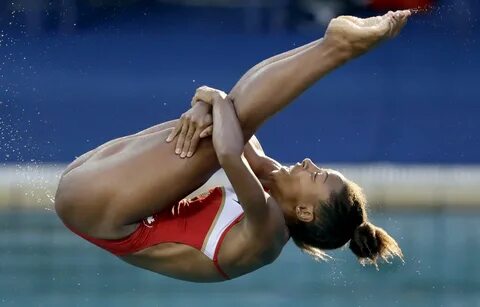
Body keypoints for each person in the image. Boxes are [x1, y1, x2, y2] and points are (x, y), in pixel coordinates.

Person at [55, 11, 410, 282]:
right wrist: (210, 105)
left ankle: (336, 48)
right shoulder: (277, 189)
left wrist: (212, 96)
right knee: (231, 119)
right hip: (96, 194)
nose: (308, 161)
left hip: (95, 208)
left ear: (304, 212)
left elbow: (227, 150)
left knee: (223, 128)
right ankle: (331, 45)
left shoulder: (268, 231)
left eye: (316, 176)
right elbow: (241, 136)